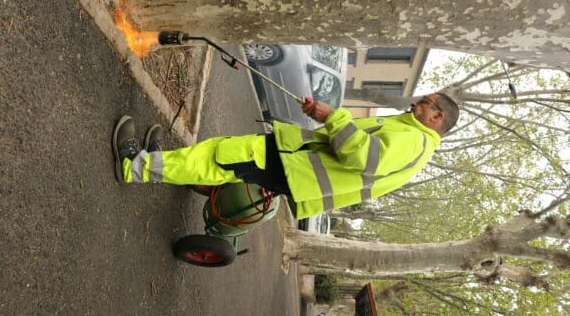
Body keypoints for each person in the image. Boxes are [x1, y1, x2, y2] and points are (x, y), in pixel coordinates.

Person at [112, 93, 459, 220]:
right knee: (223, 162)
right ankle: (158, 164)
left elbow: (367, 159)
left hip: (294, 165)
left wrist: (333, 117)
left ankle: (135, 165)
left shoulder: (415, 140)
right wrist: (323, 119)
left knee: (217, 158)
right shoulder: (416, 139)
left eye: (424, 103)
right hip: (295, 167)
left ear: (437, 116)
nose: (414, 103)